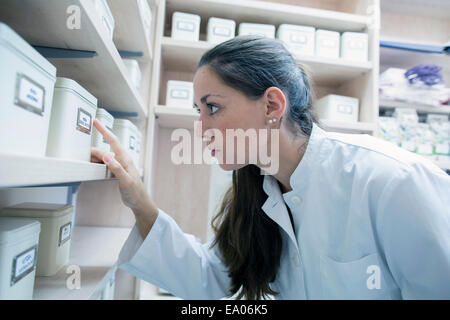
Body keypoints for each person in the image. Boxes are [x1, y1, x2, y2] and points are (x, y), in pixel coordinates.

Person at [91, 36, 450, 300]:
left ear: (271, 105)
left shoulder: (392, 181)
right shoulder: (259, 192)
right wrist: (139, 200)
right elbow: (215, 279)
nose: (200, 128)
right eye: (197, 113)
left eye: (212, 107)